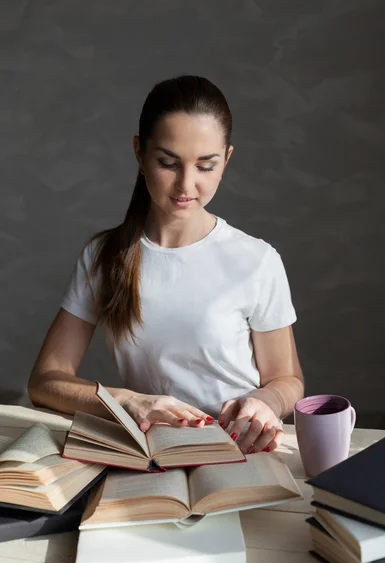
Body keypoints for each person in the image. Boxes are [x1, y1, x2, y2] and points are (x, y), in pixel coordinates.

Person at [28, 75, 304, 455]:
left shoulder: (257, 260)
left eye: (205, 166)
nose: (186, 185)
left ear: (226, 160)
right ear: (140, 153)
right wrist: (125, 401)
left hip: (241, 449)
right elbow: (45, 381)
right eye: (168, 163)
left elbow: (286, 379)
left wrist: (266, 403)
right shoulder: (104, 256)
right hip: (149, 451)